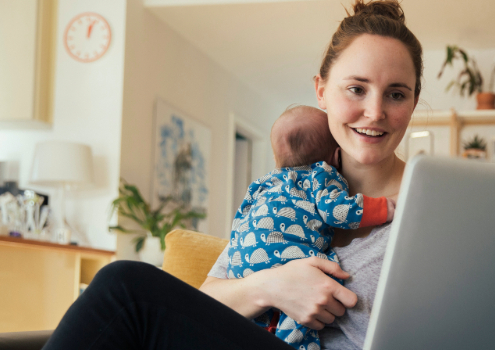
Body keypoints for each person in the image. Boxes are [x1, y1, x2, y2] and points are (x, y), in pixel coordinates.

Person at [43, 0, 422, 348]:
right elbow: (201, 301)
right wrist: (273, 286)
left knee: (124, 288)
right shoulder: (282, 194)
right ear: (321, 91)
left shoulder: (428, 212)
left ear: (413, 102)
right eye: (356, 88)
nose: (375, 112)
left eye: (396, 94)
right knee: (121, 296)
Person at [228, 105, 396, 349]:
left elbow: (241, 218)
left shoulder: (264, 183)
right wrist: (386, 208)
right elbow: (337, 211)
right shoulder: (320, 174)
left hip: (241, 261)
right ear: (336, 157)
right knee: (306, 302)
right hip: (286, 260)